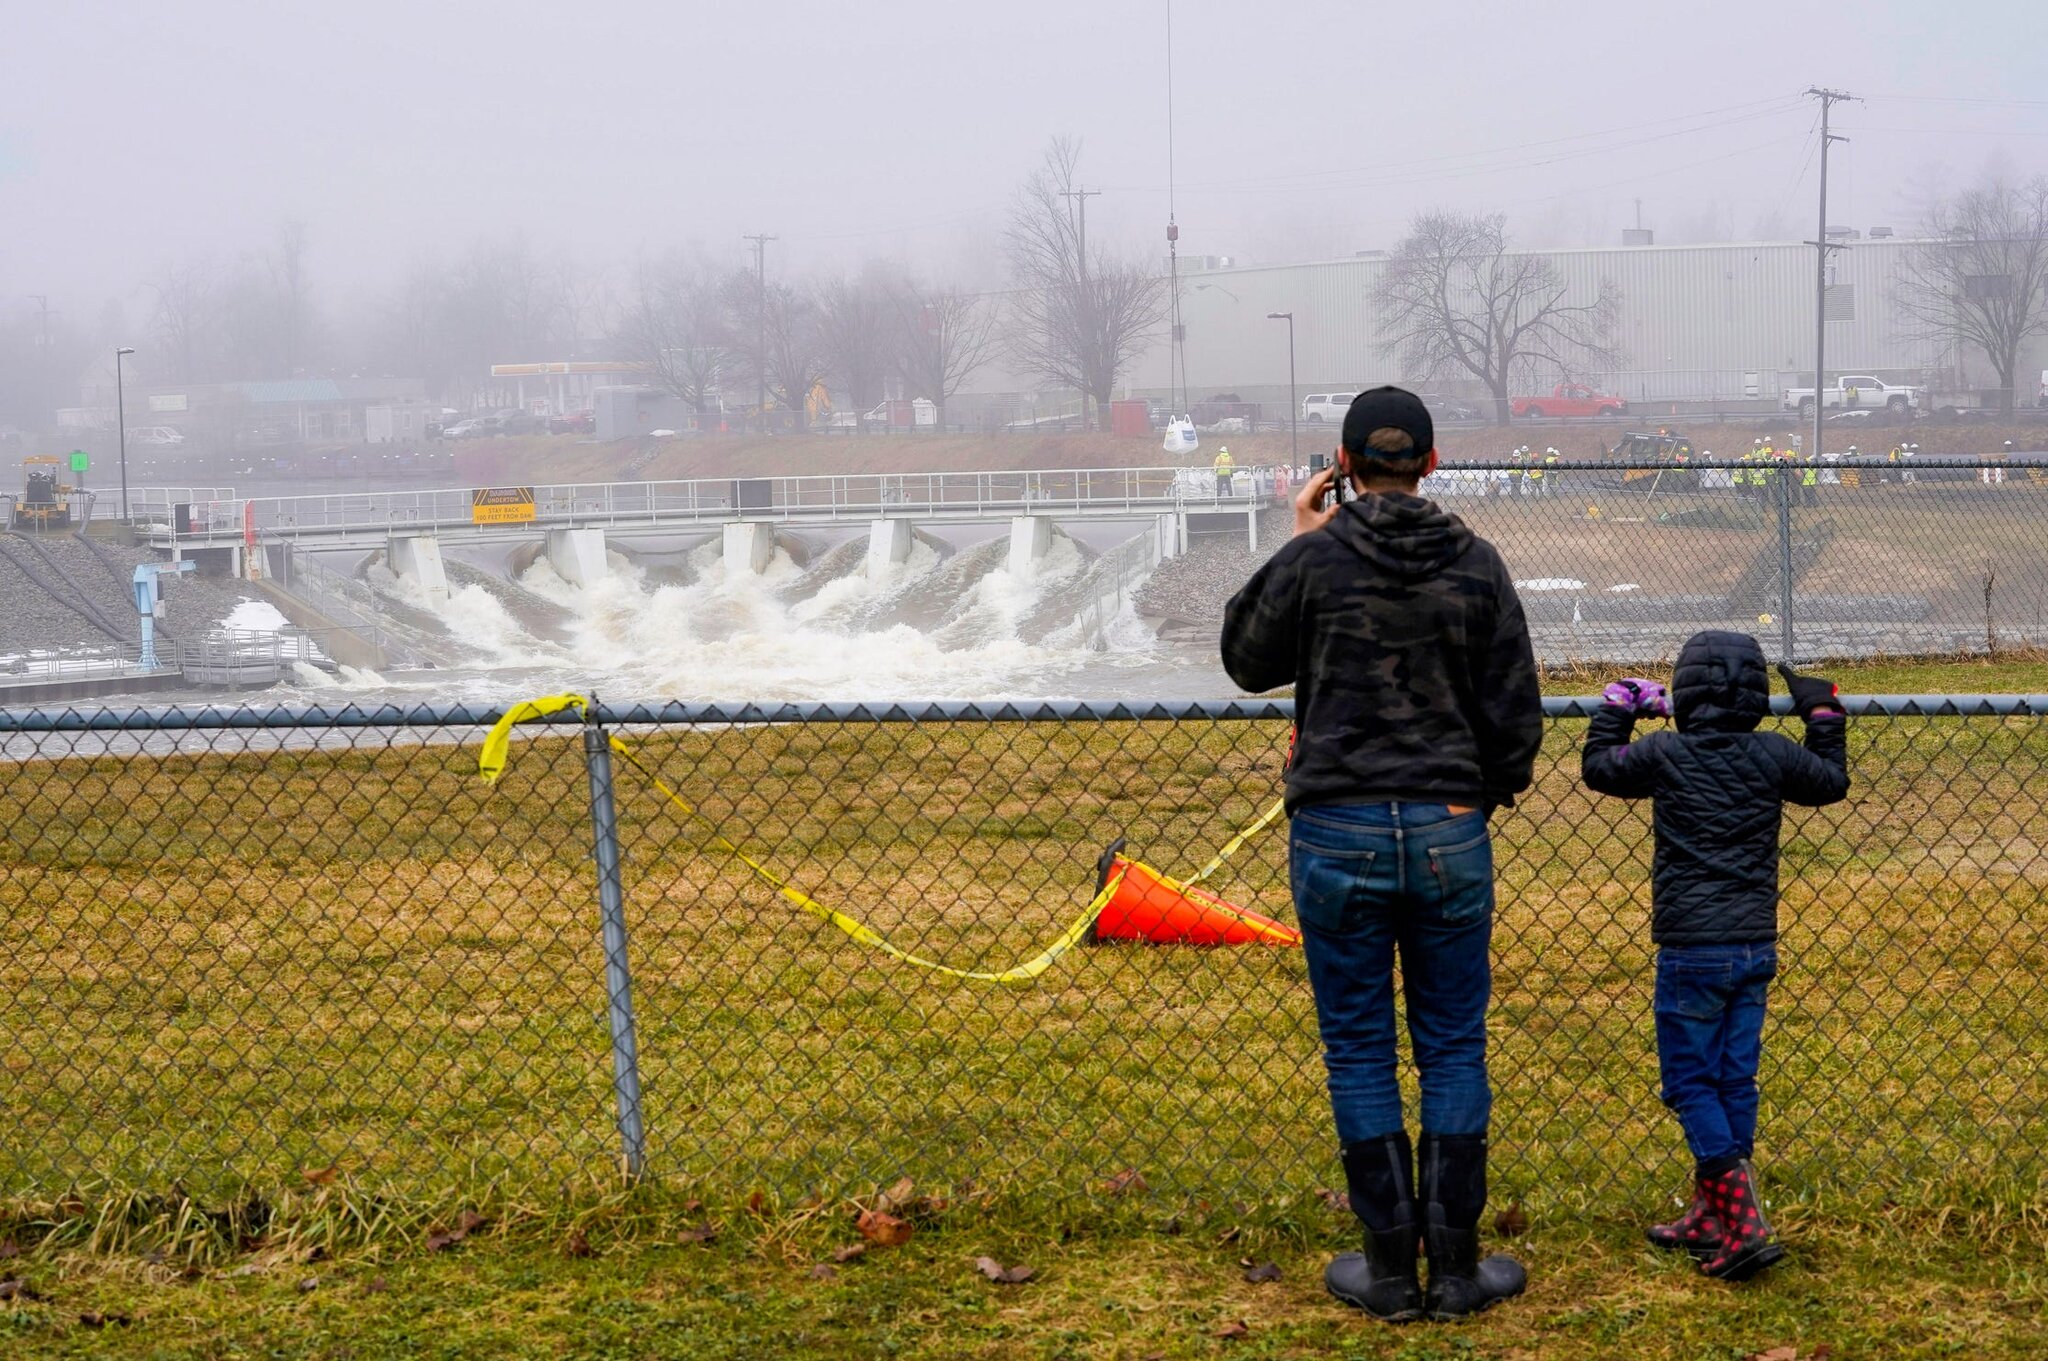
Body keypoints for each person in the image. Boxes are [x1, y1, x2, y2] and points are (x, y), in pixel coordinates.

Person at [1221, 387, 1543, 1322]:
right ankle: (1456, 1269)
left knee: (1358, 1049)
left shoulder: (1318, 557)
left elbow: (1246, 657)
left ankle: (1387, 1271)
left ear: (1344, 465)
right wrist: (1482, 792)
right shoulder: (1478, 563)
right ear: (1433, 462)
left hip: (1336, 829)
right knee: (1451, 1042)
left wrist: (1298, 531)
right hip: (1448, 825)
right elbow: (1514, 709)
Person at [1581, 635, 1849, 1281]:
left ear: (1684, 691)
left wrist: (1619, 705)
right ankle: (1714, 1213)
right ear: (1758, 695)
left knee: (1689, 1083)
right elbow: (1830, 783)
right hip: (1755, 942)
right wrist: (1824, 716)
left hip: (1691, 948)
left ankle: (1745, 1224)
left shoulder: (1666, 751)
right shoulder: (1772, 754)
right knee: (1733, 1079)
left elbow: (1600, 768)